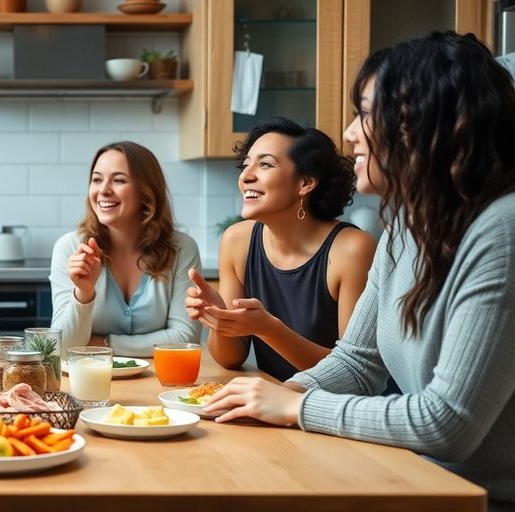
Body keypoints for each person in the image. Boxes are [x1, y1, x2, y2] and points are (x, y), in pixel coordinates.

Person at [202, 32, 515, 509]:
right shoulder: (406, 226)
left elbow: (448, 423)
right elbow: (357, 361)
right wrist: (265, 399)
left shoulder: (502, 232)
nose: (349, 133)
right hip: (415, 478)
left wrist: (296, 406)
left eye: (365, 114)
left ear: (425, 122)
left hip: (481, 499)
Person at [184, 117, 376, 381]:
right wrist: (221, 320)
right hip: (275, 403)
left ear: (306, 182)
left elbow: (352, 374)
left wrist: (269, 329)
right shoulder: (237, 241)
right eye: (246, 164)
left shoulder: (352, 249)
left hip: (337, 411)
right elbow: (231, 359)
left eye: (265, 164)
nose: (246, 176)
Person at [50, 141, 202, 357]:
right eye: (97, 179)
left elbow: (185, 338)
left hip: (161, 382)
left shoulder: (182, 249)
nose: (103, 190)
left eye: (119, 180)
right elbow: (62, 348)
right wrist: (83, 293)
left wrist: (103, 344)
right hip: (89, 383)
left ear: (146, 191)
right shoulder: (71, 248)